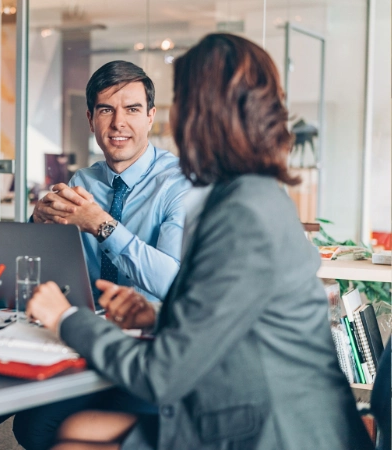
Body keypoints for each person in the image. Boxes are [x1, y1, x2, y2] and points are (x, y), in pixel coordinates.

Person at [24, 33, 374, 450]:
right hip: (255, 399)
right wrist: (157, 318)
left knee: (71, 440)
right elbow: (229, 314)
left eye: (183, 102)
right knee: (64, 428)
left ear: (206, 114)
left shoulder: (240, 213)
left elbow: (163, 374)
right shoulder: (246, 194)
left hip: (269, 427)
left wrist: (65, 318)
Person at [31, 60, 190, 303]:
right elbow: (52, 266)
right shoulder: (83, 181)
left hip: (148, 327)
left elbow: (173, 284)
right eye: (106, 110)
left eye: (132, 109)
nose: (118, 123)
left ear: (150, 117)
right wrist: (38, 224)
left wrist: (101, 224)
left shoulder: (180, 183)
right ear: (90, 120)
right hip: (84, 320)